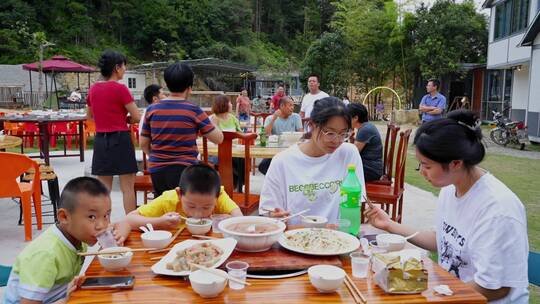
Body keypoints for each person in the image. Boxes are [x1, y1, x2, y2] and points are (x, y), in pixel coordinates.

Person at [365, 109, 529, 303]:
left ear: (456, 163)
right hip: (450, 293)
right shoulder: (451, 189)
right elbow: (442, 240)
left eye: (426, 166)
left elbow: (494, 288)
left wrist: (436, 296)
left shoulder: (498, 210)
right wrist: (389, 224)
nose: (421, 172)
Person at [4, 177, 131, 304]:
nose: (102, 225)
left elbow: (123, 225)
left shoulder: (76, 238)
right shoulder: (46, 254)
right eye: (92, 217)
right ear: (64, 217)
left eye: (106, 215)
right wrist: (65, 300)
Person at [259, 97, 366, 225]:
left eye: (343, 134)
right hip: (294, 239)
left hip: (337, 238)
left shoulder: (348, 153)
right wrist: (273, 216)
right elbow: (269, 213)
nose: (337, 140)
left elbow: (355, 205)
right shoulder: (282, 162)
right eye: (330, 133)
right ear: (312, 126)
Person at [140, 63, 223, 196]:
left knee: (162, 207)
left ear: (167, 85)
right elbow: (218, 139)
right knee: (183, 209)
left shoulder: (152, 109)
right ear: (189, 88)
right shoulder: (193, 110)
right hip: (184, 171)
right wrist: (214, 121)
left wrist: (156, 156)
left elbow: (143, 143)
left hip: (157, 170)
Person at [87, 50, 141, 213]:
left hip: (101, 141)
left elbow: (89, 116)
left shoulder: (93, 89)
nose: (125, 69)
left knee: (104, 190)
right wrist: (125, 120)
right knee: (127, 188)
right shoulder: (120, 89)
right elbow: (137, 116)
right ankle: (131, 225)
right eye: (124, 66)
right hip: (121, 139)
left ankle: (104, 226)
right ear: (117, 68)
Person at [126, 164, 243, 230]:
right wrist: (159, 222)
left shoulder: (219, 195)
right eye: (191, 206)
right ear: (179, 194)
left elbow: (240, 219)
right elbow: (129, 219)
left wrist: (228, 221)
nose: (198, 214)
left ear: (217, 198)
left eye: (206, 207)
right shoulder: (169, 199)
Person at [258, 96, 303, 175]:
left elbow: (301, 135)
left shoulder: (296, 117)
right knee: (263, 166)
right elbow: (265, 135)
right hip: (274, 152)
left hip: (291, 151)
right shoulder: (270, 118)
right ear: (282, 106)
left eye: (293, 105)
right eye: (290, 105)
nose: (292, 108)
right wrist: (274, 119)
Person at [208, 94, 245, 191]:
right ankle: (230, 186)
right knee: (232, 159)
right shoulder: (212, 119)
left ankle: (235, 186)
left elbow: (240, 134)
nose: (232, 104)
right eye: (229, 102)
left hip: (234, 150)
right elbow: (209, 138)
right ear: (223, 104)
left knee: (241, 159)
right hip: (216, 151)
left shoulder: (233, 118)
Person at [348, 103, 383, 182]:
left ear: (356, 118)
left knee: (342, 170)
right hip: (371, 167)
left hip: (371, 170)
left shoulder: (365, 130)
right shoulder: (366, 126)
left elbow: (354, 153)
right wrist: (352, 140)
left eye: (347, 117)